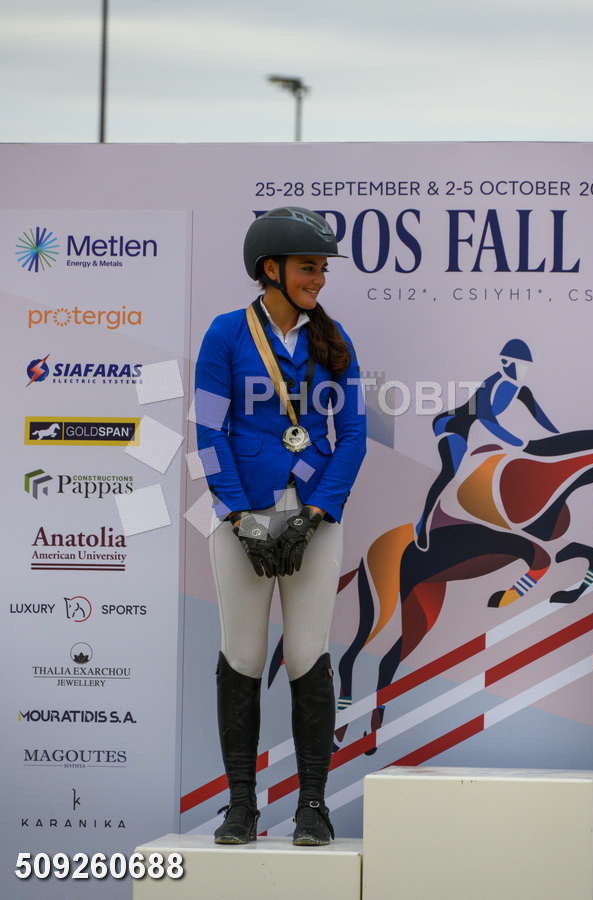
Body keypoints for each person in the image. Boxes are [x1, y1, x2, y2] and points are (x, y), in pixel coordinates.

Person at [194, 207, 367, 847]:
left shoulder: (334, 337)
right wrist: (238, 515)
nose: (318, 279)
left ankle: (313, 805)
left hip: (315, 516)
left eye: (322, 269)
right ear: (271, 269)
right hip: (241, 514)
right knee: (241, 653)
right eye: (307, 267)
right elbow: (209, 430)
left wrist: (317, 511)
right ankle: (241, 804)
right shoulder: (225, 334)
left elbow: (352, 436)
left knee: (307, 653)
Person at [415, 338, 559, 550]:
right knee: (450, 471)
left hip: (473, 431)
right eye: (520, 365)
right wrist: (516, 441)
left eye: (526, 367)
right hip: (452, 424)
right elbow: (486, 417)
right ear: (506, 363)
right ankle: (422, 523)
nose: (523, 371)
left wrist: (561, 438)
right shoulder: (493, 383)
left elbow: (540, 416)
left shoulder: (521, 390)